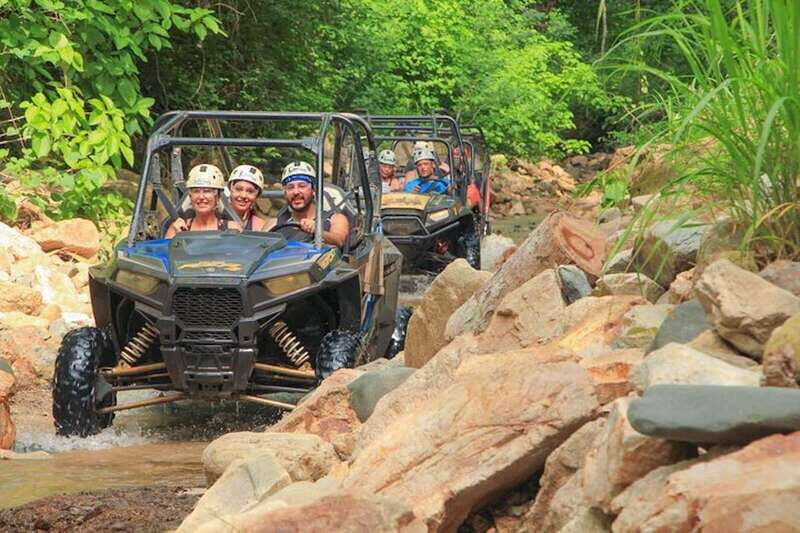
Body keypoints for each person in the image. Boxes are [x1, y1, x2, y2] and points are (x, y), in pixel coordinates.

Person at [274, 161, 349, 248]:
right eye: (290, 187)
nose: (296, 192)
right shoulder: (276, 223)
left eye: (302, 186)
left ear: (313, 190)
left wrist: (318, 231)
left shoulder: (334, 219)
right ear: (285, 193)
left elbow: (339, 240)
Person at [165, 164, 241, 237]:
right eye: (196, 191)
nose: (201, 197)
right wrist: (177, 237)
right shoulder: (178, 228)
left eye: (207, 191)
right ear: (190, 197)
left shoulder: (232, 228)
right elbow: (164, 249)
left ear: (217, 198)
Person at [227, 164, 275, 231]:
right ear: (230, 189)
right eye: (238, 189)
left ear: (257, 196)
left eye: (250, 191)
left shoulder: (261, 226)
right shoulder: (214, 218)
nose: (243, 195)